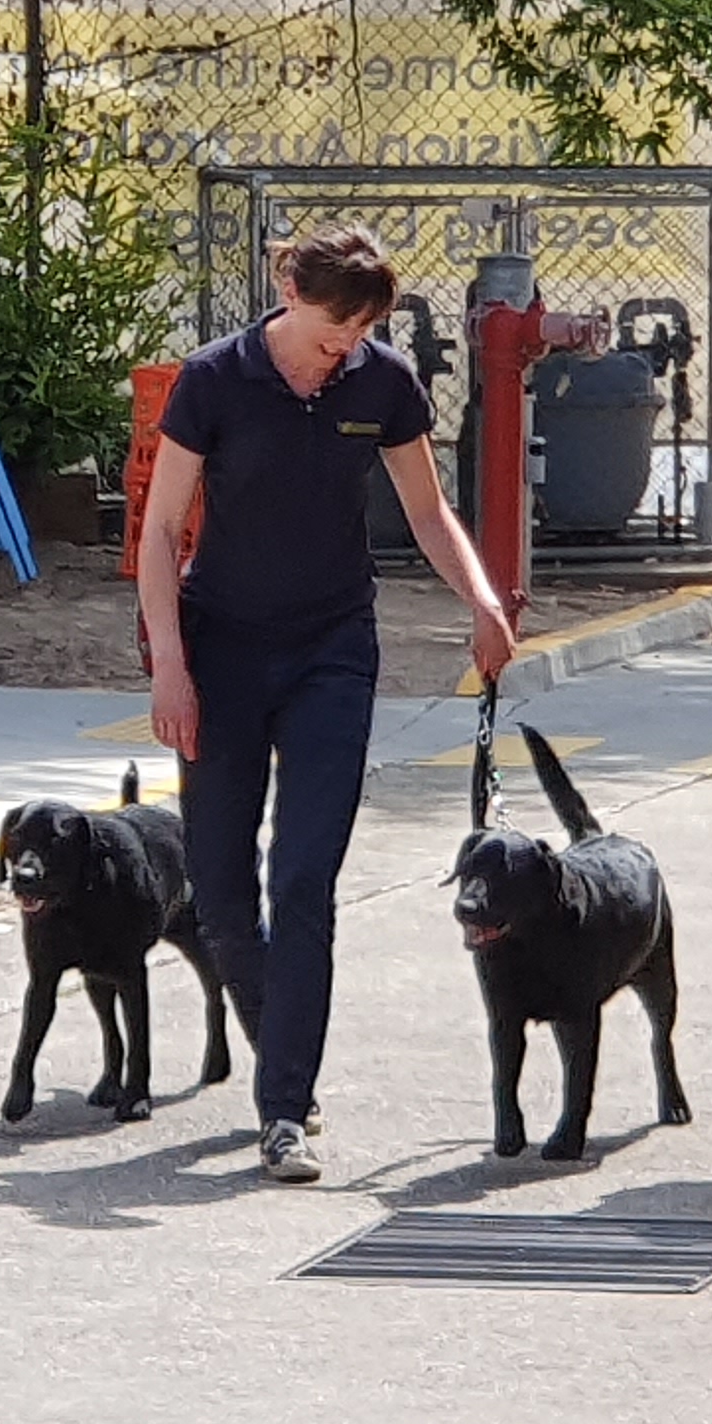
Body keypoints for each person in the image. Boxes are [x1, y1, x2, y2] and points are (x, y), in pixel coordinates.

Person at [137, 225, 517, 1184]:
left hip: (332, 652)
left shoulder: (381, 384)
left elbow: (429, 512)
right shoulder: (214, 381)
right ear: (286, 288)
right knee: (220, 893)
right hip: (219, 647)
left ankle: (284, 1109)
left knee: (301, 879)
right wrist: (169, 666)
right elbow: (161, 533)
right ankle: (287, 1064)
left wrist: (478, 597)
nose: (340, 346)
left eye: (359, 332)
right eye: (329, 328)